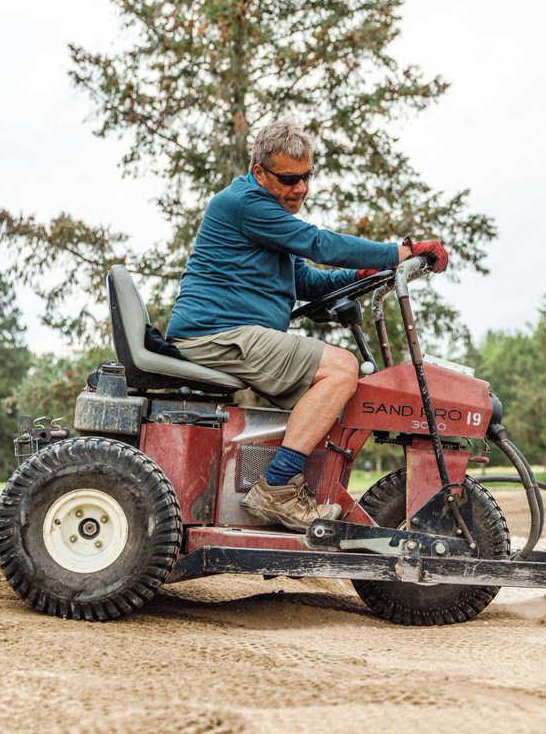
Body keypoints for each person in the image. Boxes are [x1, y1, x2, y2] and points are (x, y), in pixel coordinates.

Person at [166, 120, 447, 532]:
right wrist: (398, 252)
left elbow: (308, 281)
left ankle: (300, 484)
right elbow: (318, 243)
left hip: (234, 335)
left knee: (335, 389)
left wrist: (363, 275)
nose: (300, 188)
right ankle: (276, 488)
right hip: (215, 334)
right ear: (259, 172)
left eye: (306, 176)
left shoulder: (269, 216)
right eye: (288, 179)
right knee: (340, 368)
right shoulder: (245, 203)